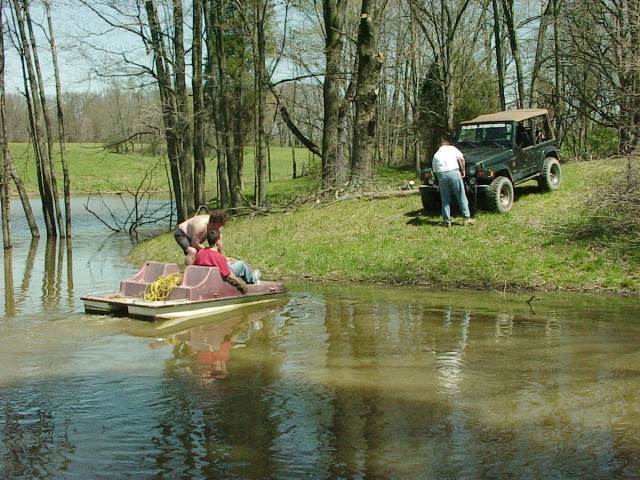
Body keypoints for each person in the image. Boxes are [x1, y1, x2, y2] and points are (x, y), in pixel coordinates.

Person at [193, 229, 259, 293]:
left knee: (229, 263)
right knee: (241, 264)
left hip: (208, 275)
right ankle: (253, 278)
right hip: (219, 276)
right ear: (217, 242)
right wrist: (240, 283)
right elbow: (229, 275)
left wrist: (224, 259)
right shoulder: (217, 256)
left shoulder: (200, 252)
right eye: (221, 240)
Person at [432, 138, 476, 227]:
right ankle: (466, 218)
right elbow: (462, 159)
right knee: (461, 196)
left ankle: (446, 220)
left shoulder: (436, 154)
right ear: (447, 144)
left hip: (442, 175)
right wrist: (463, 170)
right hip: (453, 172)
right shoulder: (452, 149)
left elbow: (434, 170)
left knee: (445, 199)